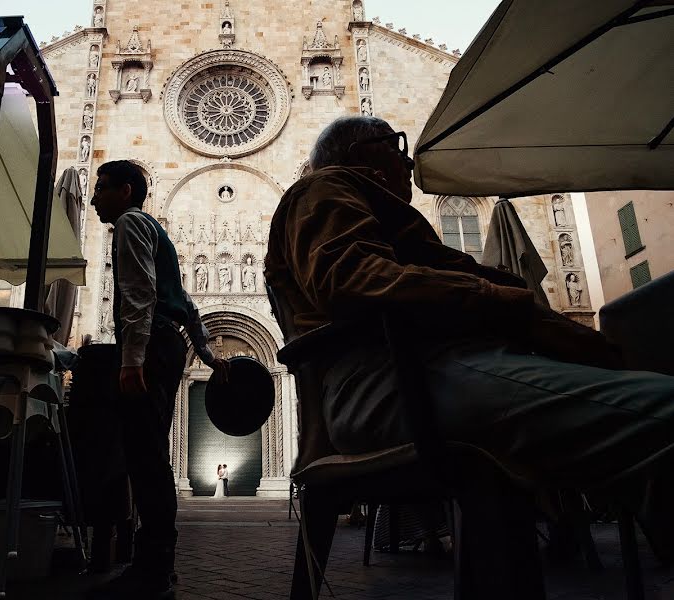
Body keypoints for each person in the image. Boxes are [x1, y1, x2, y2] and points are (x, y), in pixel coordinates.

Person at [265, 116, 674, 566]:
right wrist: (504, 303)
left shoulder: (361, 203)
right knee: (661, 410)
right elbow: (354, 281)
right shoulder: (325, 187)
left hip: (419, 376)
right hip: (399, 381)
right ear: (363, 153)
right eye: (396, 145)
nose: (408, 160)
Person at [89, 160, 229, 598]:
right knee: (152, 455)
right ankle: (156, 563)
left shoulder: (130, 223)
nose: (94, 198)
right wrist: (205, 351)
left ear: (126, 191)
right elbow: (183, 298)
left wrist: (130, 358)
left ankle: (152, 568)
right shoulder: (153, 227)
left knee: (144, 457)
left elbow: (138, 292)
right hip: (169, 344)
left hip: (149, 345)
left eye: (102, 189)